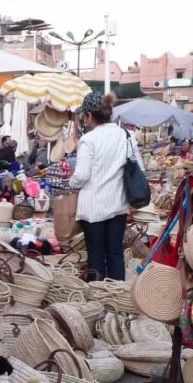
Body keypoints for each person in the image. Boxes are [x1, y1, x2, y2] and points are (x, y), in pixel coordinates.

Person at [69, 91, 138, 281]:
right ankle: (116, 296)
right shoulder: (126, 135)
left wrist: (71, 183)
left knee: (96, 254)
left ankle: (99, 297)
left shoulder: (88, 140)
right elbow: (136, 165)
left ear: (89, 115)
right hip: (118, 205)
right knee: (115, 252)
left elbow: (81, 175)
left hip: (94, 208)